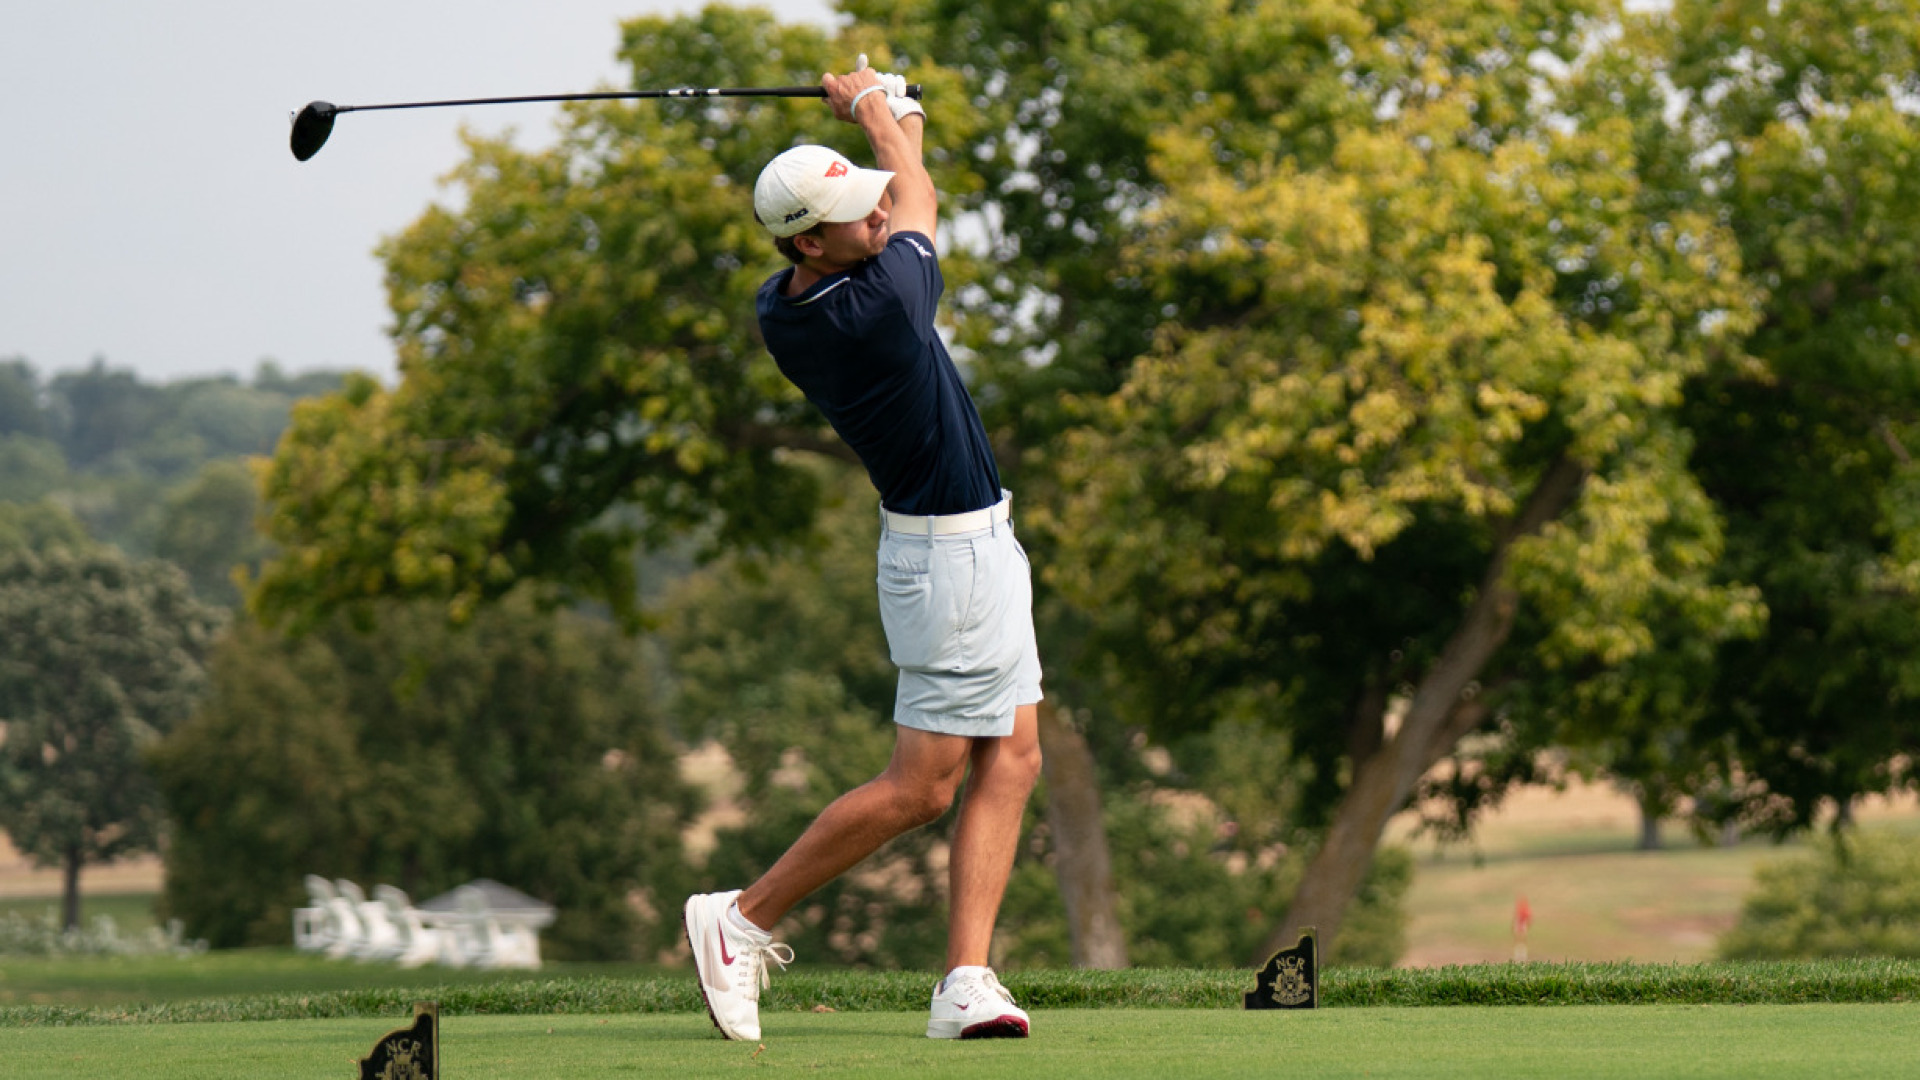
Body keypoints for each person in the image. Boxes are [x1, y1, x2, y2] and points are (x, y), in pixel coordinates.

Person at [682, 59, 1044, 1042]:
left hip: (979, 540)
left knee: (1012, 754)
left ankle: (965, 980)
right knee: (920, 790)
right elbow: (917, 195)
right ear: (811, 241)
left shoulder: (794, 294)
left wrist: (899, 118)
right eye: (854, 213)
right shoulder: (875, 307)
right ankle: (742, 919)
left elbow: (902, 188)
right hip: (946, 565)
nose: (877, 215)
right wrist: (874, 102)